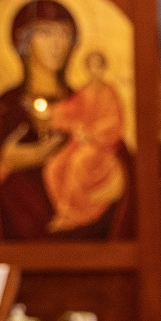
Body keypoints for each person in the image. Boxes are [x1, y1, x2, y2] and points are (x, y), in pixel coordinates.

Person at [0, 0, 134, 240]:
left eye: (65, 34)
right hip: (19, 241)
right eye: (45, 33)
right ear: (23, 41)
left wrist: (120, 178)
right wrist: (7, 163)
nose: (57, 44)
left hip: (88, 243)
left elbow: (117, 150)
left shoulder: (86, 100)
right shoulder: (2, 110)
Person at [42, 50, 128, 232]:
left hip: (101, 147)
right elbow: (70, 111)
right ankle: (63, 210)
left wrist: (92, 133)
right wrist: (53, 113)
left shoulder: (109, 92)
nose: (95, 70)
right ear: (87, 69)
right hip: (80, 143)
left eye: (99, 66)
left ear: (103, 68)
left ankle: (77, 215)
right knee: (54, 167)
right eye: (91, 66)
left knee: (77, 163)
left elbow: (115, 121)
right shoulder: (83, 92)